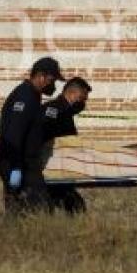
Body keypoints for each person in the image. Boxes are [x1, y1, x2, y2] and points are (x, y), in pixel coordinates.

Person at [0, 56, 64, 214]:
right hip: (18, 163)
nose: (53, 85)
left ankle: (13, 235)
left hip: (21, 163)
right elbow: (14, 133)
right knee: (41, 209)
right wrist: (16, 167)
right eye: (52, 80)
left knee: (19, 211)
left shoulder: (32, 94)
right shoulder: (25, 96)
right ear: (41, 76)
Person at [41, 76, 91, 214]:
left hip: (62, 169)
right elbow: (45, 136)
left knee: (75, 206)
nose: (83, 103)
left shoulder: (65, 112)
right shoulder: (54, 109)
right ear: (72, 93)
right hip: (51, 167)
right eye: (82, 98)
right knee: (73, 206)